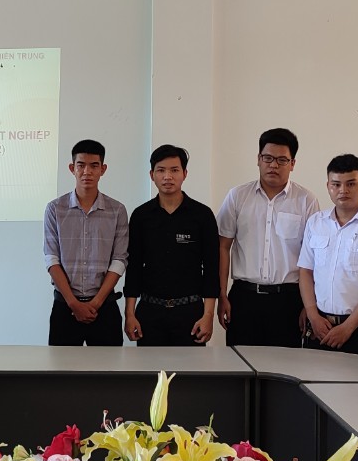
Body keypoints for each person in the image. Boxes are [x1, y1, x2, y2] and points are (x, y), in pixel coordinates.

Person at [217, 128, 319, 347]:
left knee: (285, 364)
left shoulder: (306, 200)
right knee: (239, 362)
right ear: (258, 159)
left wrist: (309, 305)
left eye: (282, 160)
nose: (274, 165)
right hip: (244, 298)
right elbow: (222, 247)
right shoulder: (237, 196)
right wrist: (222, 295)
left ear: (293, 163)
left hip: (289, 300)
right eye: (268, 158)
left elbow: (314, 257)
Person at [298, 154, 358, 357]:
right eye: (336, 184)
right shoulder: (316, 222)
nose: (343, 190)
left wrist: (348, 327)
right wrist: (313, 315)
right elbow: (305, 271)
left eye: (351, 184)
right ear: (328, 186)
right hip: (320, 326)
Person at [124, 145, 220, 346]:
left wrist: (208, 315)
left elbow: (211, 268)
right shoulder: (141, 216)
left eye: (174, 170)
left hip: (190, 312)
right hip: (150, 311)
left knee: (190, 367)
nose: (167, 176)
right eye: (161, 170)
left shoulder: (202, 215)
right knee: (149, 366)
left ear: (185, 173)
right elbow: (133, 267)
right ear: (152, 175)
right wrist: (130, 313)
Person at [42, 139, 128, 346]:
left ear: (103, 169)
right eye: (81, 165)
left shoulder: (117, 210)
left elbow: (119, 260)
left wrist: (95, 303)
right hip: (65, 307)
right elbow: (51, 258)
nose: (87, 172)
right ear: (72, 168)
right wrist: (74, 304)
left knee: (109, 366)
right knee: (62, 366)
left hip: (104, 307)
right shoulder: (55, 209)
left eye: (94, 166)